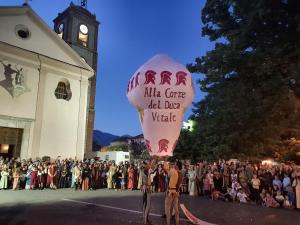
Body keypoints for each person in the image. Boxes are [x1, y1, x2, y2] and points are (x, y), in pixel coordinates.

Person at [165, 161, 182, 225]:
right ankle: (177, 223)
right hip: (176, 192)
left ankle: (168, 223)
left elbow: (166, 171)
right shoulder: (180, 173)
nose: (174, 165)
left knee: (168, 209)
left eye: (175, 164)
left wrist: (165, 160)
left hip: (171, 191)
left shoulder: (174, 171)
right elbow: (179, 184)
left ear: (177, 166)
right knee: (176, 209)